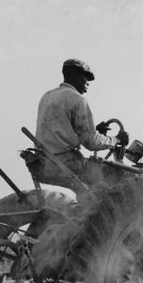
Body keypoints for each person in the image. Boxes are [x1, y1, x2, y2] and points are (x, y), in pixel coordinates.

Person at [32, 58, 129, 193]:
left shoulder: (47, 96)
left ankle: (87, 206)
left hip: (42, 162)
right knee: (114, 172)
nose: (88, 83)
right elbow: (90, 142)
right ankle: (109, 212)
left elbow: (59, 130)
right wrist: (117, 140)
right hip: (64, 162)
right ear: (75, 76)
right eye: (86, 78)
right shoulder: (77, 99)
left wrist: (96, 131)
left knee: (88, 185)